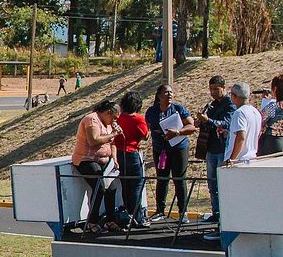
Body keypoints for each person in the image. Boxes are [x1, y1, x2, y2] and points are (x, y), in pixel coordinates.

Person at [144, 83, 194, 222]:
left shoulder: (178, 109)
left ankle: (183, 212)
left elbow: (191, 126)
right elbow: (146, 128)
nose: (170, 94)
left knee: (179, 179)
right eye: (166, 92)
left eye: (171, 92)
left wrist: (178, 132)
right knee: (162, 179)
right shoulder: (152, 111)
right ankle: (160, 211)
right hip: (161, 150)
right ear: (159, 95)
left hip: (179, 148)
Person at [70, 98, 121, 232]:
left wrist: (115, 159)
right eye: (114, 118)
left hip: (105, 161)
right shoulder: (91, 119)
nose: (114, 121)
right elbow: (93, 141)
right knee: (99, 187)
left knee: (111, 188)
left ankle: (110, 220)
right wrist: (113, 134)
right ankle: (92, 222)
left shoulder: (109, 125)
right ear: (108, 113)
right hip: (86, 160)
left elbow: (113, 144)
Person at [195, 75, 234, 224]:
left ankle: (225, 215)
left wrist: (208, 120)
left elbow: (226, 123)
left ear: (223, 88)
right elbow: (208, 122)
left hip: (222, 148)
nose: (213, 92)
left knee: (222, 184)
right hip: (210, 147)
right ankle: (215, 212)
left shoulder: (229, 104)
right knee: (212, 184)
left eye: (216, 89)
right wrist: (200, 121)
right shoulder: (211, 104)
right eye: (211, 89)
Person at [114, 91, 149, 228]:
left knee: (125, 185)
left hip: (119, 153)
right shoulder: (138, 119)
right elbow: (145, 136)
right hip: (132, 153)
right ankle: (138, 217)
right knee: (136, 186)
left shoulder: (118, 118)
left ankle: (128, 215)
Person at [258, 80, 283, 156]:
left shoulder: (273, 106)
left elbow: (260, 122)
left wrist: (265, 102)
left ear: (275, 89)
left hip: (272, 144)